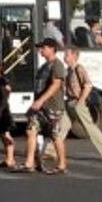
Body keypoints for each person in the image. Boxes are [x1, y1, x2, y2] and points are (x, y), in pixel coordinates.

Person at [23, 37, 70, 174]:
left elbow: (56, 85)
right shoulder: (43, 66)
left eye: (43, 48)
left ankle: (62, 164)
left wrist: (41, 100)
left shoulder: (57, 65)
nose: (40, 50)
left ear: (51, 49)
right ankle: (29, 162)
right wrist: (34, 105)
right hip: (40, 107)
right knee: (31, 130)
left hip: (53, 107)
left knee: (54, 135)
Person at [62, 48, 102, 162]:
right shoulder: (68, 70)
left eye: (67, 55)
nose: (64, 57)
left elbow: (87, 86)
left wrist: (80, 102)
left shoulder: (79, 69)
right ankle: (51, 151)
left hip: (78, 103)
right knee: (61, 127)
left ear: (74, 56)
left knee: (89, 127)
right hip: (70, 102)